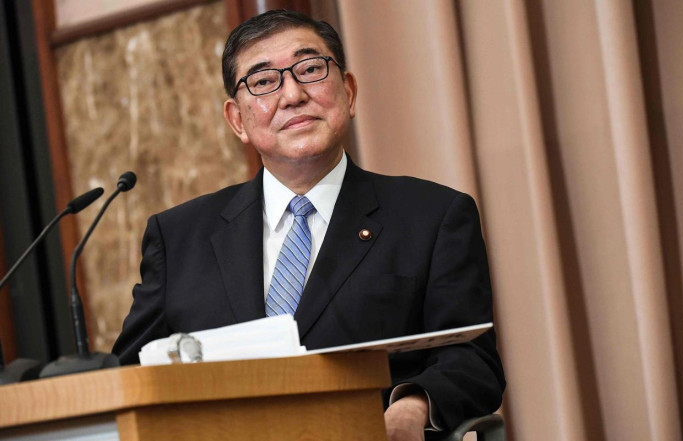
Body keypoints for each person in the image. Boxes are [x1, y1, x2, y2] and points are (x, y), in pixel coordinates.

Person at [113, 9, 505, 441]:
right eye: (264, 81)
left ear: (348, 92)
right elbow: (130, 376)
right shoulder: (179, 238)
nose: (292, 94)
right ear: (237, 120)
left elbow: (473, 361)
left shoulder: (432, 216)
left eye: (311, 70)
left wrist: (411, 407)